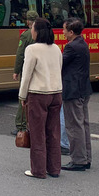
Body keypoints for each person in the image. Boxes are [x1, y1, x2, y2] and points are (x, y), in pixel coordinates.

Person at [18, 17, 62, 179]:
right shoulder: (56, 48)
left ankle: (38, 170)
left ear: (37, 31)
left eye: (33, 28)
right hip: (56, 93)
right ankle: (54, 168)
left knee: (38, 133)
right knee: (53, 132)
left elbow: (27, 75)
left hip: (38, 94)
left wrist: (22, 95)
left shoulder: (32, 49)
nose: (31, 30)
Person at [60, 18, 92, 171]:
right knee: (83, 124)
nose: (63, 32)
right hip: (83, 88)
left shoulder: (71, 47)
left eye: (65, 30)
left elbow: (60, 64)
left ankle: (78, 159)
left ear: (71, 32)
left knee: (74, 126)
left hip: (73, 89)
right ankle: (85, 157)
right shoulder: (82, 43)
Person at [13, 10, 38, 135]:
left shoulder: (26, 35)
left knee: (23, 97)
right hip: (39, 71)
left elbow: (20, 55)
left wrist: (16, 71)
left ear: (28, 21)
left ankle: (20, 125)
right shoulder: (44, 34)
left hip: (27, 70)